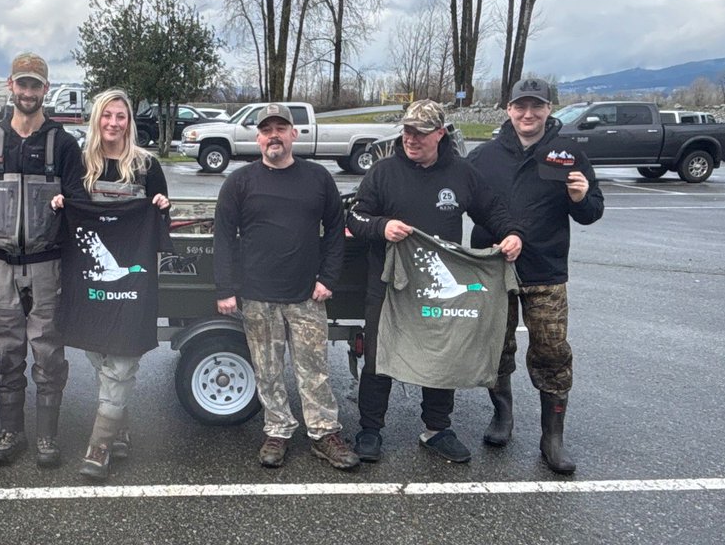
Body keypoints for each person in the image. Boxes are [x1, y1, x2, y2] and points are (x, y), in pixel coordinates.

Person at [347, 99, 523, 465]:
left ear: (440, 134)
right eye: (407, 131)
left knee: (443, 351)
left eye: (421, 133)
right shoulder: (383, 172)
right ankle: (370, 429)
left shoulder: (461, 173)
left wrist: (511, 233)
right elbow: (356, 218)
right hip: (389, 282)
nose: (411, 138)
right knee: (380, 355)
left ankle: (437, 428)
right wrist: (382, 226)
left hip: (440, 285)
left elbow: (492, 209)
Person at [466, 77, 604, 474]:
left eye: (537, 107)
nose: (528, 114)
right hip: (494, 270)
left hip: (546, 271)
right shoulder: (485, 156)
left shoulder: (568, 154)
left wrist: (580, 198)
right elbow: (454, 199)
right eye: (520, 106)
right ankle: (502, 416)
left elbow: (592, 211)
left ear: (549, 110)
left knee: (551, 354)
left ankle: (552, 438)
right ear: (508, 109)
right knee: (496, 348)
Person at [212, 103, 360, 471]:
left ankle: (324, 433)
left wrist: (328, 278)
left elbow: (335, 234)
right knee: (267, 370)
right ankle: (277, 429)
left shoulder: (318, 179)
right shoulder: (240, 182)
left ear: (295, 134)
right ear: (258, 137)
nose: (273, 135)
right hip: (257, 295)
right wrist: (225, 288)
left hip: (306, 295)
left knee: (315, 370)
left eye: (281, 128)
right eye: (266, 130)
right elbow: (224, 238)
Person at [0, 52, 84, 469]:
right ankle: (11, 432)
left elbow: (79, 200)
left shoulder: (64, 144)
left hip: (47, 263)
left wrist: (65, 207)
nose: (28, 92)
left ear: (46, 90)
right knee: (7, 349)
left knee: (48, 348)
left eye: (36, 85)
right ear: (10, 86)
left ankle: (47, 438)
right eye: (22, 84)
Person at [48, 88, 170, 479]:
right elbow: (67, 215)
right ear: (97, 118)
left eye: (121, 116)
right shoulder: (80, 164)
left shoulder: (147, 165)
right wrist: (59, 206)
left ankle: (98, 448)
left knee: (120, 364)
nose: (114, 123)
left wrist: (163, 208)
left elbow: (161, 222)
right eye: (107, 115)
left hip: (133, 285)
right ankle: (119, 432)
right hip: (90, 283)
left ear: (129, 122)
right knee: (101, 356)